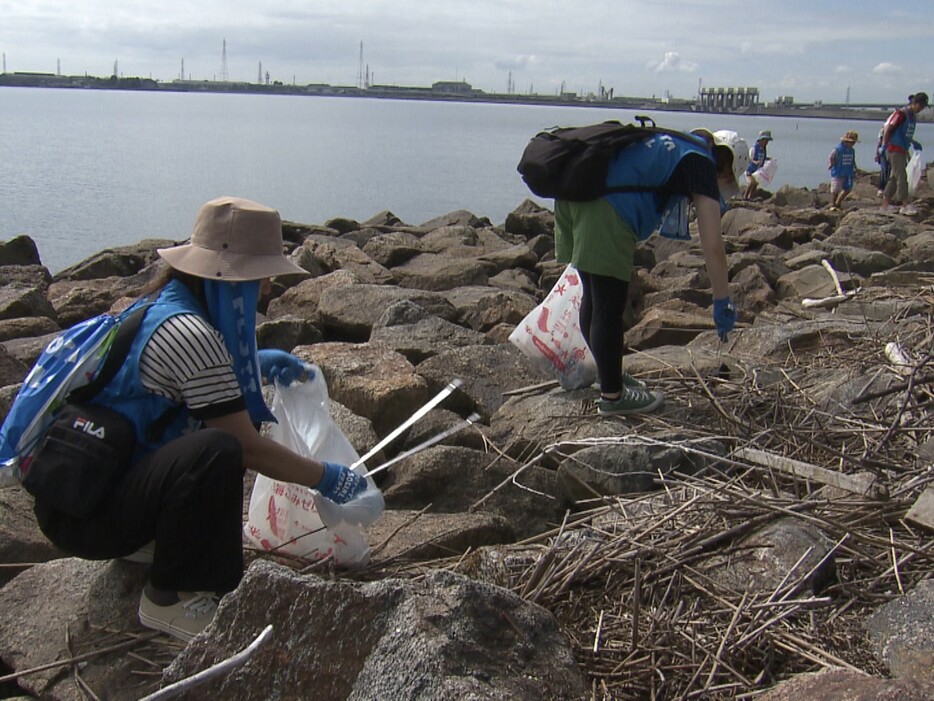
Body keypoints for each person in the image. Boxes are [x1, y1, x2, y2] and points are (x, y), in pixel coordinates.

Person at [30, 196, 378, 642]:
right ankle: (168, 599)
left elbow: (187, 386)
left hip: (83, 489)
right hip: (86, 518)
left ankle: (151, 542)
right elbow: (247, 446)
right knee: (218, 452)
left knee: (210, 450)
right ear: (229, 276)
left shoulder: (164, 305)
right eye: (262, 275)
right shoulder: (192, 336)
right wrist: (329, 479)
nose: (267, 289)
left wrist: (256, 364)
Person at [554, 128, 742, 416]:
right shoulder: (701, 164)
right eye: (728, 180)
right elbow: (713, 246)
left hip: (575, 192)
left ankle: (608, 376)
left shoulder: (677, 144)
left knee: (594, 294)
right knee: (608, 304)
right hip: (605, 205)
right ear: (726, 167)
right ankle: (613, 398)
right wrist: (722, 300)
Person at [881, 92, 928, 215]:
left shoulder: (912, 117)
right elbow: (889, 128)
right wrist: (884, 145)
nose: (921, 109)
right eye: (921, 106)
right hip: (894, 149)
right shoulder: (901, 114)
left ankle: (885, 205)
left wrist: (912, 142)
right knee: (902, 176)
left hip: (902, 149)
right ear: (915, 103)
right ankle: (905, 205)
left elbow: (904, 134)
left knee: (894, 177)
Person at [828, 131, 859, 210]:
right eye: (851, 142)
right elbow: (831, 157)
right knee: (835, 189)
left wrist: (856, 168)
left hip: (848, 172)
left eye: (853, 143)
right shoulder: (838, 149)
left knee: (848, 189)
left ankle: (838, 202)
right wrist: (831, 164)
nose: (852, 144)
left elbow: (852, 160)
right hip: (838, 172)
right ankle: (833, 205)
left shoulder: (852, 150)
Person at [743, 130, 773, 200]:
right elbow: (749, 158)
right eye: (765, 141)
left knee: (756, 183)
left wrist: (769, 159)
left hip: (757, 171)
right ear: (761, 140)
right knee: (751, 182)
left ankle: (750, 197)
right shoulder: (754, 148)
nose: (766, 143)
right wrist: (754, 162)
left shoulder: (763, 149)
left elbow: (763, 158)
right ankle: (745, 197)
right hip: (750, 170)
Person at [874, 126, 890, 196]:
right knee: (884, 170)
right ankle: (881, 188)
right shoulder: (884, 128)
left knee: (890, 170)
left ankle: (887, 188)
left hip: (894, 151)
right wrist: (877, 154)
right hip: (884, 152)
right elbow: (880, 142)